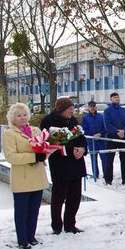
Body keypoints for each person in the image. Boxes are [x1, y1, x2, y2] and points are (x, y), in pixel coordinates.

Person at [2, 103, 49, 249]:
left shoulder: (36, 130)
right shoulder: (9, 134)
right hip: (22, 178)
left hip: (37, 176)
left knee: (34, 209)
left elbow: (44, 147)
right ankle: (22, 239)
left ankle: (31, 235)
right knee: (22, 211)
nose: (22, 118)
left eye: (24, 115)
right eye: (18, 115)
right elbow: (11, 157)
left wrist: (44, 154)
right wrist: (34, 157)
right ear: (12, 118)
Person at [40, 98, 87, 234]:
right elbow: (47, 142)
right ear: (60, 109)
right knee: (58, 197)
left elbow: (81, 137)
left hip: (76, 163)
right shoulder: (48, 121)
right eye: (69, 109)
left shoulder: (72, 120)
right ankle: (56, 226)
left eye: (72, 108)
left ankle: (70, 224)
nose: (72, 111)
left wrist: (83, 149)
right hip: (60, 164)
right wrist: (70, 149)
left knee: (75, 197)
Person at [103, 92, 125, 185]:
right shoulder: (107, 111)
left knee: (124, 158)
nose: (117, 99)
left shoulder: (124, 110)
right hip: (112, 137)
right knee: (109, 159)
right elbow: (107, 124)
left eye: (118, 97)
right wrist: (116, 131)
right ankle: (108, 179)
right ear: (111, 99)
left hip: (123, 137)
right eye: (115, 97)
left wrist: (124, 131)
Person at [82, 101, 107, 179]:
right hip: (91, 141)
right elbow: (84, 129)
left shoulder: (101, 116)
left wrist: (100, 134)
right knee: (93, 158)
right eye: (91, 106)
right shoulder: (85, 117)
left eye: (94, 106)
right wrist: (92, 135)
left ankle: (106, 174)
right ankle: (95, 174)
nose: (92, 108)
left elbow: (105, 127)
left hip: (101, 140)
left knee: (104, 158)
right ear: (88, 107)